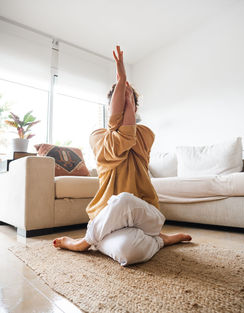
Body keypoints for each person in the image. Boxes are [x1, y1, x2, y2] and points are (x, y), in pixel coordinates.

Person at [53, 46, 192, 266]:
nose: (128, 104)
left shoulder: (145, 134)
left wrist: (126, 95)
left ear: (136, 109)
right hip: (108, 217)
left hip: (144, 213)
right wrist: (122, 84)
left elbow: (127, 136)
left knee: (125, 199)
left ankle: (84, 242)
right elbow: (119, 137)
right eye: (122, 101)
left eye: (132, 103)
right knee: (127, 253)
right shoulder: (97, 137)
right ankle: (160, 241)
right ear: (109, 108)